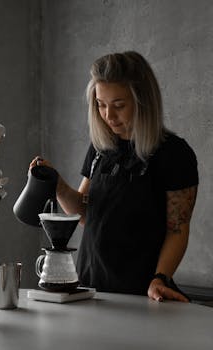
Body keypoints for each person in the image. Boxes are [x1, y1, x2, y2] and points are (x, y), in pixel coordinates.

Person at [30, 51, 198, 302]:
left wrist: (160, 278)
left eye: (119, 105)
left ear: (143, 101)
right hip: (89, 288)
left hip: (143, 293)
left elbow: (178, 229)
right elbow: (85, 215)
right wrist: (56, 184)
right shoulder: (101, 148)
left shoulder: (174, 153)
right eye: (100, 104)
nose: (108, 115)